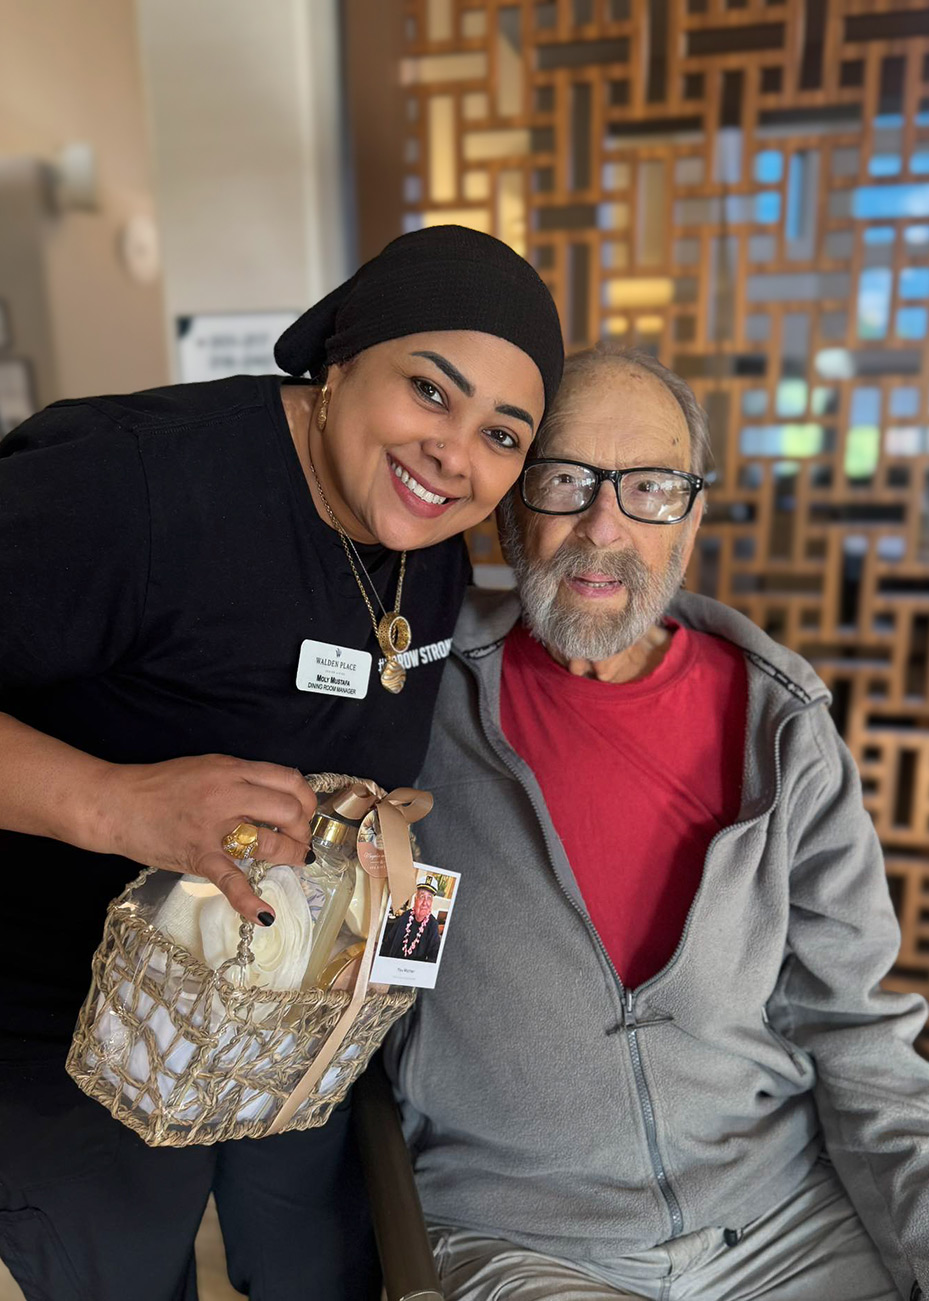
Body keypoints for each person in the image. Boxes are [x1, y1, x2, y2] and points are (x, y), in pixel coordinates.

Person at [0, 224, 563, 1301]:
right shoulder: (135, 488)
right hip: (79, 1027)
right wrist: (114, 802)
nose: (454, 453)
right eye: (430, 392)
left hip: (291, 1015)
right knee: (127, 1265)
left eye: (502, 433)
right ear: (339, 357)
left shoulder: (429, 534)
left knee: (320, 1263)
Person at [385, 343, 929, 1301]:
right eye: (566, 479)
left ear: (691, 513)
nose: (605, 526)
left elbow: (852, 1027)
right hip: (524, 1233)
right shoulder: (417, 705)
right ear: (514, 499)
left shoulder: (778, 723)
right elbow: (373, 972)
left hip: (781, 1218)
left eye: (650, 487)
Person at [381, 877, 441, 963]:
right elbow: (387, 943)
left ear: (431, 902)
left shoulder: (433, 925)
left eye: (429, 898)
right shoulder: (405, 916)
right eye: (422, 896)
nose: (425, 903)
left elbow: (434, 958)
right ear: (415, 899)